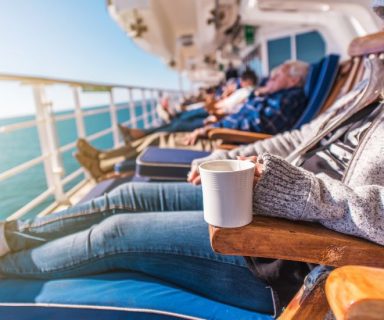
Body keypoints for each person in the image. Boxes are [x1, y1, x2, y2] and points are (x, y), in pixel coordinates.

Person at [0, 53, 383, 317]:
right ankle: (11, 235)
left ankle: (10, 265)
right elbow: (296, 138)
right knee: (126, 195)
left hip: (293, 247)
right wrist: (232, 161)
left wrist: (293, 189)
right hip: (270, 194)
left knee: (113, 233)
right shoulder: (370, 93)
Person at [76, 61, 307, 179]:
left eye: (279, 74)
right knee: (160, 136)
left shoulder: (287, 99)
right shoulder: (272, 95)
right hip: (220, 132)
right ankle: (103, 158)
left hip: (227, 143)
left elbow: (256, 126)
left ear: (294, 80)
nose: (271, 76)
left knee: (158, 140)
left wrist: (211, 129)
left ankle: (102, 164)